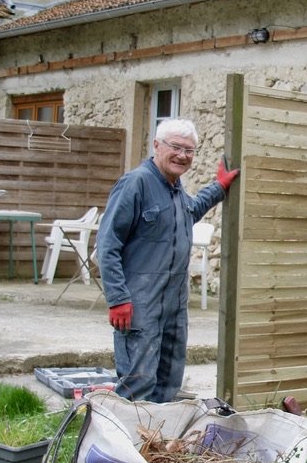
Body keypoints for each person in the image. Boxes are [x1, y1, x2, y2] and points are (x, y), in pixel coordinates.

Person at [96, 118, 239, 402]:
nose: (182, 155)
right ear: (156, 146)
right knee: (138, 385)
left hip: (173, 306)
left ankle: (155, 442)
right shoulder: (137, 183)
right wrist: (117, 298)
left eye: (189, 150)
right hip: (139, 304)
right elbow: (107, 244)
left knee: (169, 384)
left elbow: (190, 210)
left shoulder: (174, 188)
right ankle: (126, 441)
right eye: (176, 147)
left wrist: (219, 187)